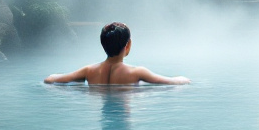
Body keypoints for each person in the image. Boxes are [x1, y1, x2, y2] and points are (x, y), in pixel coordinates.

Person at [44, 22, 190, 86]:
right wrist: (184, 78)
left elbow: (50, 79)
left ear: (103, 45)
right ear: (128, 45)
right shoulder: (137, 73)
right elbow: (174, 82)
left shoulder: (89, 71)